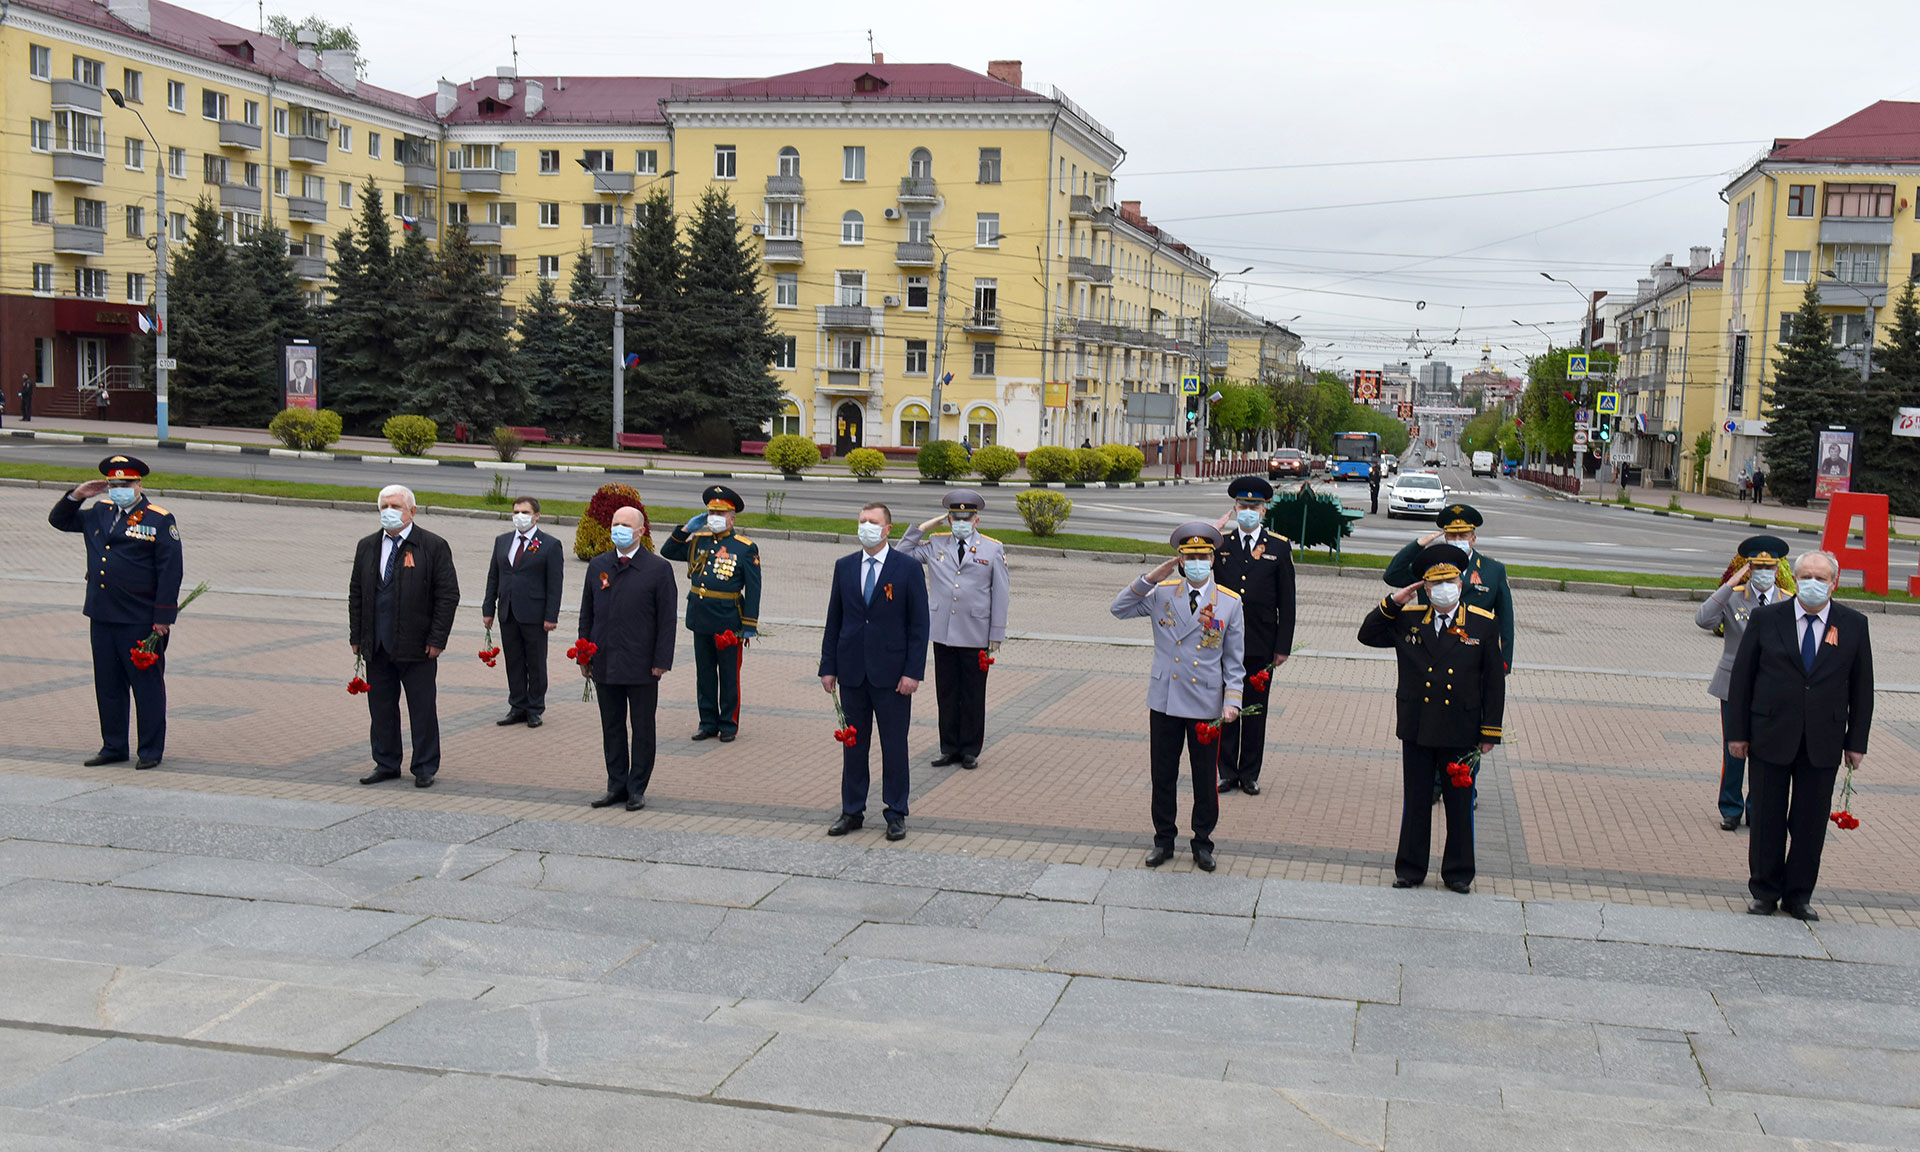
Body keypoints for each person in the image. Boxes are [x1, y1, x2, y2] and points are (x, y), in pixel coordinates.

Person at [1726, 549, 1874, 921]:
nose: (1812, 583)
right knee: (1766, 819)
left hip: (1822, 741)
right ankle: (1764, 891)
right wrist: (1738, 734)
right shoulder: (1767, 618)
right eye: (1806, 576)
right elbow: (1742, 679)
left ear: (1834, 583)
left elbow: (1863, 688)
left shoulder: (1854, 624)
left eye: (1820, 578)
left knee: (1809, 824)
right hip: (1770, 734)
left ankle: (1798, 895)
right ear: (1794, 579)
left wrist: (1856, 742)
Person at [1359, 543, 1506, 893]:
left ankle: (1458, 872)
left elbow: (1493, 682)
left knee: (1459, 804)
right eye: (1435, 583)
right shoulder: (1408, 619)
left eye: (1450, 582)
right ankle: (1411, 869)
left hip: (1461, 729)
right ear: (1425, 588)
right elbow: (1367, 634)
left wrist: (1489, 731)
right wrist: (1394, 601)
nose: (1443, 589)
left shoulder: (1482, 623)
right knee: (1417, 801)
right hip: (1418, 726)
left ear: (1460, 584)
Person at [1109, 521, 1246, 872]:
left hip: (1205, 702)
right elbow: (1119, 609)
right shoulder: (1162, 593)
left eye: (1203, 556)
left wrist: (1232, 700)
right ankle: (1163, 840)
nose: (1197, 563)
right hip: (1166, 699)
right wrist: (1150, 578)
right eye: (1190, 557)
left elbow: (1234, 660)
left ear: (1212, 560)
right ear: (1180, 561)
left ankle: (1203, 842)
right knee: (1163, 775)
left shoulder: (1229, 602)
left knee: (1204, 778)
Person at [48, 455, 183, 770]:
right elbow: (59, 521)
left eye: (125, 483)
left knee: (146, 687)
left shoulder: (159, 519)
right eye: (113, 484)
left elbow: (170, 570)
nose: (119, 489)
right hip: (102, 614)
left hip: (140, 618)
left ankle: (150, 750)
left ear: (139, 484)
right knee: (108, 685)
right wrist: (77, 496)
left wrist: (163, 617)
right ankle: (113, 746)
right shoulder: (99, 512)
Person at [820, 502, 930, 841]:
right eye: (862, 521)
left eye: (872, 522)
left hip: (893, 676)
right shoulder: (845, 566)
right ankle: (852, 810)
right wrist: (828, 667)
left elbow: (919, 625)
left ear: (887, 529)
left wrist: (912, 672)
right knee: (854, 746)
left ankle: (895, 812)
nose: (865, 527)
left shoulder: (907, 569)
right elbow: (834, 619)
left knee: (894, 746)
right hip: (852, 672)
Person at [348, 484, 459, 788]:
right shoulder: (367, 546)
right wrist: (357, 636)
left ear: (412, 511)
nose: (389, 512)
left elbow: (448, 595)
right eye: (384, 506)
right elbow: (356, 593)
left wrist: (437, 639)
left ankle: (424, 766)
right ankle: (386, 762)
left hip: (418, 646)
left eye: (396, 506)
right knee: (381, 709)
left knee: (422, 709)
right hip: (377, 644)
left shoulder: (432, 546)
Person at [898, 489, 1010, 769]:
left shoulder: (992, 548)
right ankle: (948, 747)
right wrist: (922, 528)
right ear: (948, 520)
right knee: (946, 692)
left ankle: (970, 749)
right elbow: (900, 555)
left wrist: (996, 633)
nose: (961, 523)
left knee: (973, 692)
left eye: (966, 518)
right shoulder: (936, 543)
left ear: (976, 520)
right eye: (955, 518)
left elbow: (1001, 592)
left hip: (976, 632)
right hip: (944, 632)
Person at [578, 506, 678, 811]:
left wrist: (661, 660)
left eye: (625, 525)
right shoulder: (599, 565)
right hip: (605, 660)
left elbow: (667, 620)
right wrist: (584, 654)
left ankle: (637, 788)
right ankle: (616, 785)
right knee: (612, 726)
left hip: (641, 664)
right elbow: (587, 613)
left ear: (640, 531)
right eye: (615, 524)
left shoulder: (658, 569)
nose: (618, 529)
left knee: (642, 728)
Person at [1696, 535, 1790, 832]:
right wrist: (1730, 583)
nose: (1763, 572)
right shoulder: (1735, 596)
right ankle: (1731, 808)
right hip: (1733, 685)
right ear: (1748, 568)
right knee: (1733, 751)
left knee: (1764, 752)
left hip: (1771, 687)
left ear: (1777, 569)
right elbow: (1704, 620)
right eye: (1757, 567)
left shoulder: (1787, 601)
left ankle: (1756, 809)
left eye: (1769, 567)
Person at [1212, 477, 1295, 797]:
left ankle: (1249, 773)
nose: (1248, 511)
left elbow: (1287, 601)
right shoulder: (1221, 544)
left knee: (1255, 709)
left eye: (1254, 506)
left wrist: (1282, 646)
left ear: (1264, 510)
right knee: (1226, 707)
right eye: (1243, 506)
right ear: (1235, 509)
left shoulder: (1278, 546)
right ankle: (1226, 771)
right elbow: (1191, 571)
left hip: (1262, 642)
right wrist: (1209, 536)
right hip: (1224, 642)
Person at [661, 485, 761, 742]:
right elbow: (668, 551)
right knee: (704, 674)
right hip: (701, 617)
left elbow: (754, 588)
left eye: (720, 513)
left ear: (732, 518)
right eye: (711, 513)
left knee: (728, 675)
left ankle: (728, 724)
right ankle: (707, 722)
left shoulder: (745, 547)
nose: (715, 517)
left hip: (728, 620)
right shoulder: (700, 540)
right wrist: (686, 529)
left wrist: (749, 624)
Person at [1384, 504, 1514, 670]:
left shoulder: (1493, 570)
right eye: (1452, 535)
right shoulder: (1430, 567)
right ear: (1445, 537)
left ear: (1473, 539)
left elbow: (1505, 621)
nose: (1457, 540)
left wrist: (1503, 663)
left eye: (1463, 535)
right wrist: (1417, 545)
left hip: (1474, 654)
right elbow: (1392, 575)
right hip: (1434, 651)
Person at [482, 496, 564, 728]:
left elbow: (555, 584)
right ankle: (517, 706)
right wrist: (488, 608)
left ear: (536, 516)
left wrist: (551, 616)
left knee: (535, 662)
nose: (520, 516)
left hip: (535, 614)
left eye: (525, 512)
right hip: (508, 611)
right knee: (514, 661)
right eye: (516, 512)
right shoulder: (502, 541)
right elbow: (493, 576)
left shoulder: (549, 544)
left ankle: (535, 708)